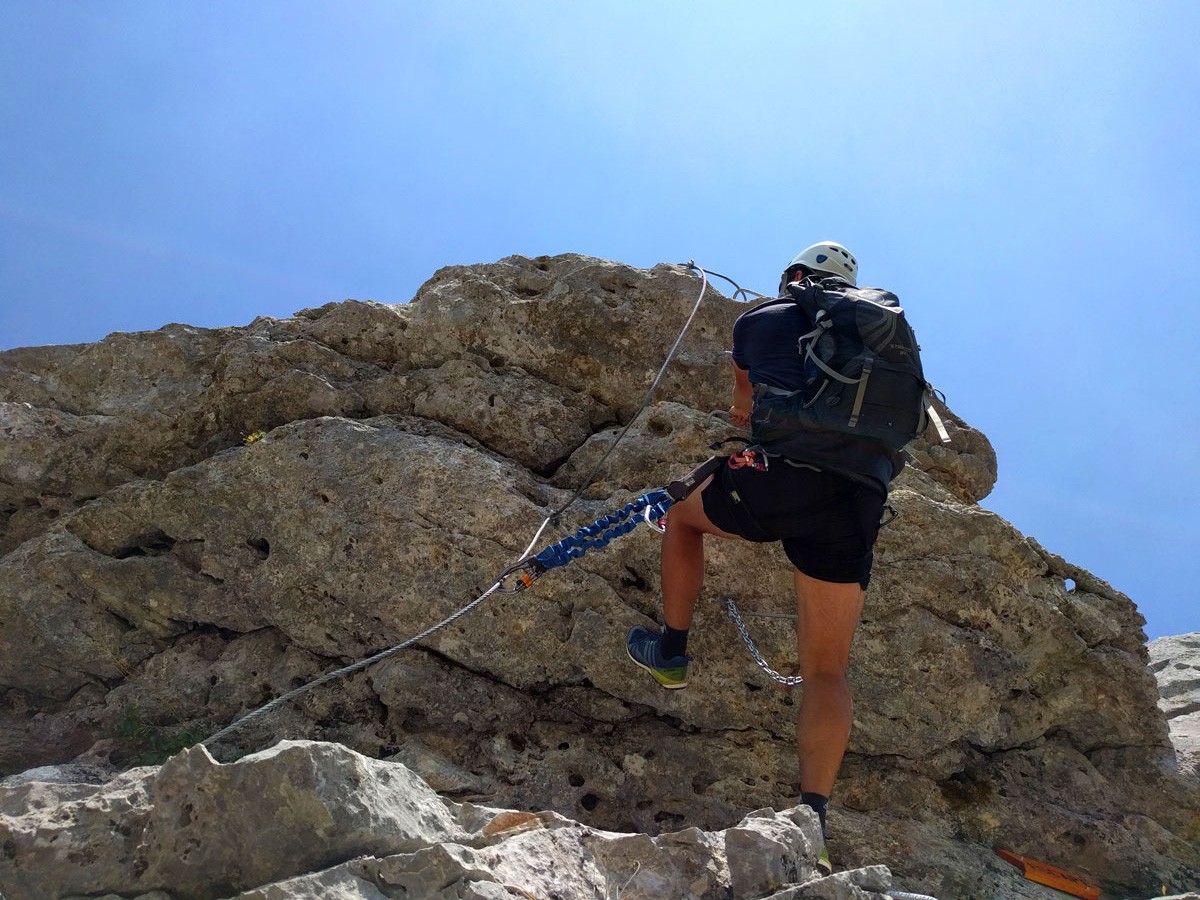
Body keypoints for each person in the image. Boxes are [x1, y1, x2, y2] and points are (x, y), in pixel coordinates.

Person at [626, 241, 905, 875]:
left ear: (793, 278)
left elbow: (743, 408)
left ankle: (670, 650)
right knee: (827, 670)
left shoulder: (760, 318)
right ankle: (814, 819)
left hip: (781, 474)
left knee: (680, 516)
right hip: (858, 497)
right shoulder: (879, 333)